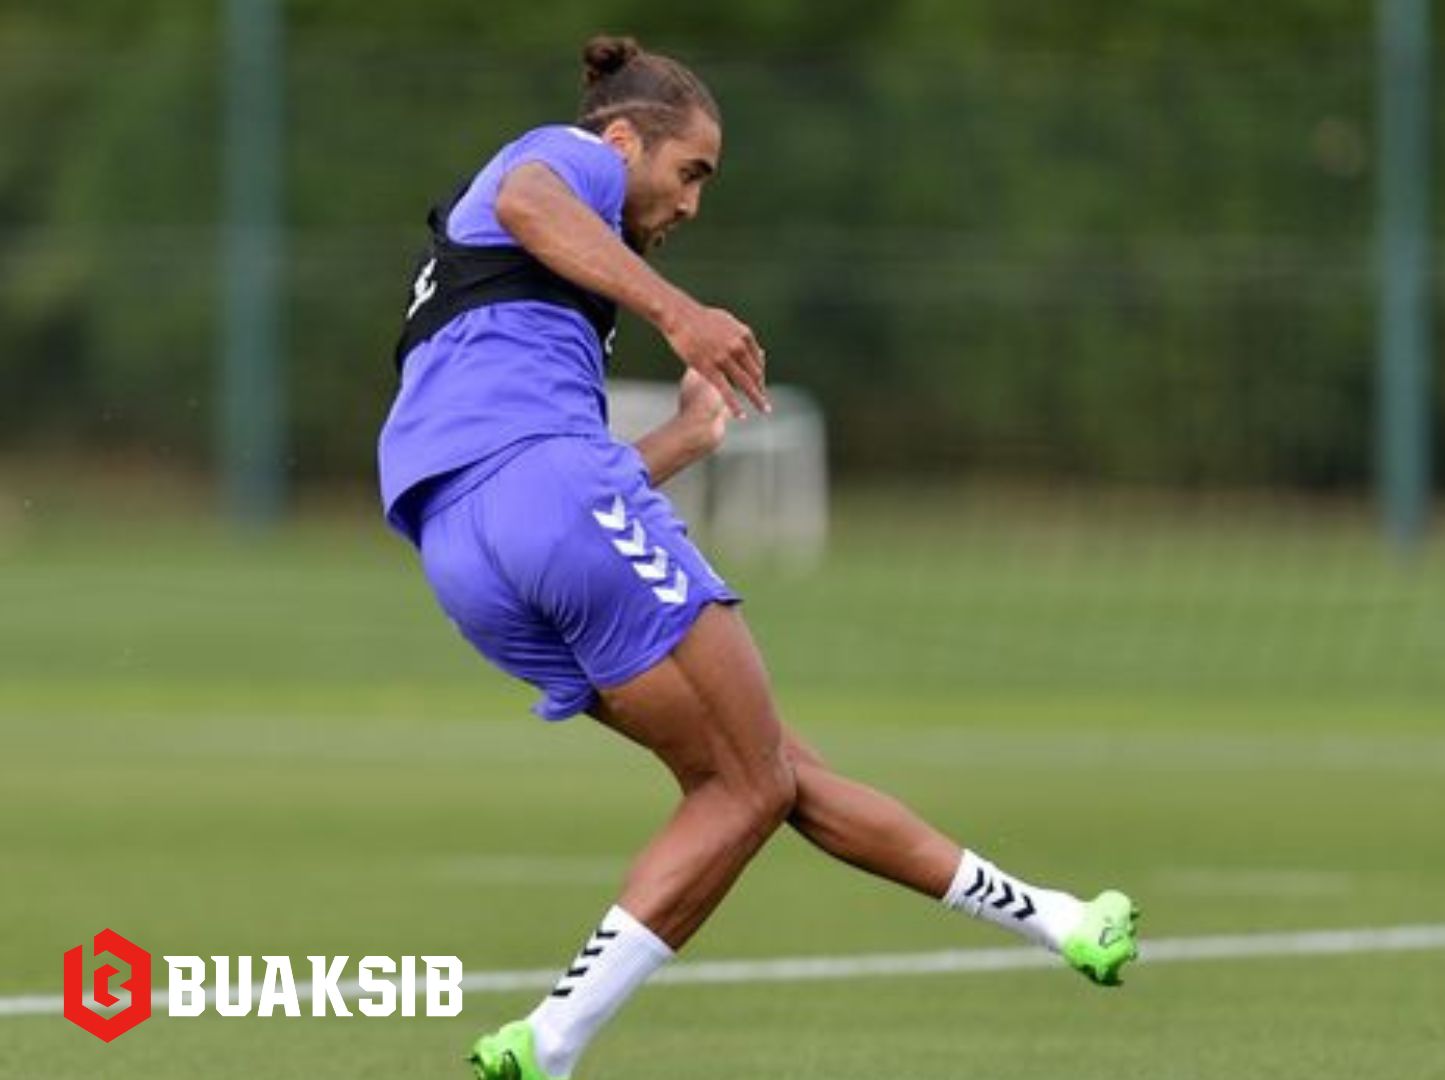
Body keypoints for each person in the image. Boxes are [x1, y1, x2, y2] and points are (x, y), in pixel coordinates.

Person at [377, 33, 1139, 1080]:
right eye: (691, 171)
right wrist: (680, 316)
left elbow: (520, 481)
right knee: (747, 788)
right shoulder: (571, 159)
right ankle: (551, 1042)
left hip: (465, 552)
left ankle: (1059, 920)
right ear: (624, 140)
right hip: (549, 496)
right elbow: (529, 200)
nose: (692, 204)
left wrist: (682, 442)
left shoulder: (504, 300)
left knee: (765, 773)